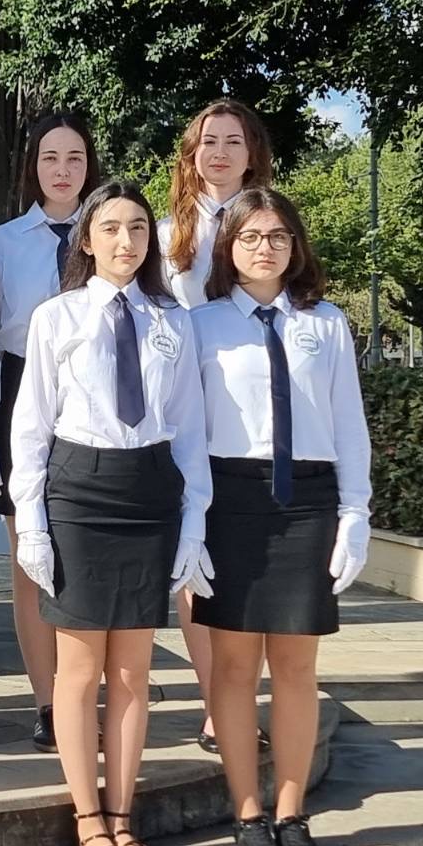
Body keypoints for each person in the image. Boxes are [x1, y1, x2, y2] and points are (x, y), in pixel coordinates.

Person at [9, 180, 212, 846]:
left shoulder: (172, 321)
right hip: (79, 491)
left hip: (149, 491)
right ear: (87, 240)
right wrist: (32, 522)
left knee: (132, 670)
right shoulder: (56, 317)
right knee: (79, 669)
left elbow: (190, 429)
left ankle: (124, 817)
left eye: (138, 228)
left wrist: (194, 520)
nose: (126, 240)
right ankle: (88, 818)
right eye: (111, 228)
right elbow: (31, 427)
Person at [191, 186, 370, 846]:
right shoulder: (201, 325)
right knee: (235, 667)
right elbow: (189, 433)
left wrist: (355, 513)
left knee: (297, 667)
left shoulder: (326, 323)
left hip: (308, 501)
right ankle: (247, 811)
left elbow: (348, 424)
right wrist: (191, 523)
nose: (264, 247)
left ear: (295, 245)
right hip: (230, 501)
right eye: (250, 236)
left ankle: (292, 810)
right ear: (228, 247)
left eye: (277, 236)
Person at [159, 98, 276, 754]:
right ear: (192, 153)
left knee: (249, 568)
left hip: (254, 421)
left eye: (234, 140)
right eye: (210, 141)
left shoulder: (272, 226)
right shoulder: (163, 233)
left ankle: (242, 701)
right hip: (185, 415)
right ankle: (215, 709)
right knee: (195, 563)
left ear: (252, 153)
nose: (221, 152)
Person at [0, 113, 103, 753]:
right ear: (32, 166)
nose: (62, 170)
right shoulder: (0, 243)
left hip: (92, 400)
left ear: (90, 165)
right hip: (19, 390)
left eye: (74, 158)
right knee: (29, 557)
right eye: (50, 158)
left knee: (86, 556)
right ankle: (48, 703)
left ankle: (86, 693)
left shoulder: (110, 232)